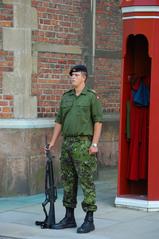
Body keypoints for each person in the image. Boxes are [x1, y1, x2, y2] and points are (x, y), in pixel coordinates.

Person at [47, 64, 103, 233]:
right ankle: (69, 217)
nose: (72, 77)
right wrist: (52, 142)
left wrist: (94, 144)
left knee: (86, 181)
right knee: (68, 182)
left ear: (84, 77)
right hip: (68, 144)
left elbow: (98, 122)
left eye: (76, 75)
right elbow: (59, 121)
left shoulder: (91, 97)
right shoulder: (66, 97)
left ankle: (89, 219)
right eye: (71, 75)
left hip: (84, 144)